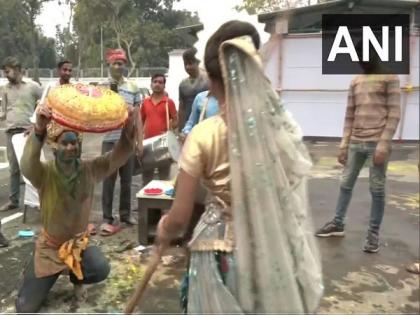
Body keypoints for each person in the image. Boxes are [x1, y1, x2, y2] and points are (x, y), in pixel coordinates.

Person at [156, 21, 322, 314]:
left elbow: (180, 218)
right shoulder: (280, 128)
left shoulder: (204, 135)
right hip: (273, 246)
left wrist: (164, 227)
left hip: (221, 251)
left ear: (213, 79)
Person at [15, 102, 137, 313]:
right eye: (66, 143)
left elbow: (118, 157)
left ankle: (76, 277)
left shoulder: (89, 169)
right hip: (50, 249)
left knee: (100, 269)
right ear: (55, 147)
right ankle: (34, 264)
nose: (72, 147)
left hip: (78, 245)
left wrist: (128, 127)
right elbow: (27, 165)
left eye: (75, 143)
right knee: (25, 308)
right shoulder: (44, 173)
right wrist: (39, 130)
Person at [315, 47, 401, 253]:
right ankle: (338, 223)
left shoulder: (390, 77)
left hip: (376, 143)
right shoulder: (355, 82)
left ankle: (373, 235)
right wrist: (344, 144)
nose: (361, 62)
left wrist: (383, 143)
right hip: (355, 142)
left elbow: (394, 114)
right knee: (345, 184)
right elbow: (349, 115)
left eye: (364, 57)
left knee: (377, 190)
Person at [100, 48, 142, 235]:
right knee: (108, 180)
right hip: (109, 139)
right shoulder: (101, 87)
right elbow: (97, 113)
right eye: (115, 63)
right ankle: (107, 216)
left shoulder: (133, 87)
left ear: (125, 65)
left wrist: (139, 141)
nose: (118, 66)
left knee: (126, 181)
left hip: (128, 140)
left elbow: (138, 116)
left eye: (121, 63)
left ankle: (125, 215)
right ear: (109, 64)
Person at [0, 57, 42, 212]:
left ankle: (40, 199)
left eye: (7, 71)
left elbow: (44, 103)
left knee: (33, 166)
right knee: (14, 169)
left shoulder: (32, 87)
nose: (6, 75)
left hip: (28, 132)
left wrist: (36, 123)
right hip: (11, 132)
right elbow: (4, 112)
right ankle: (13, 201)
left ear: (17, 70)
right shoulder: (5, 89)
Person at [140, 73, 177, 185]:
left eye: (160, 82)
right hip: (147, 145)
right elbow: (140, 122)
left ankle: (162, 202)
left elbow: (176, 120)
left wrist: (169, 131)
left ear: (164, 86)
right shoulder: (146, 102)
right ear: (151, 84)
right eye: (155, 82)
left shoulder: (168, 102)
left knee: (164, 179)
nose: (157, 84)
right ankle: (146, 201)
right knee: (146, 179)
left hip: (163, 145)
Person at [178, 48, 209, 132]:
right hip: (189, 128)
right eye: (185, 64)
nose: (187, 67)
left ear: (198, 62)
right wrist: (180, 129)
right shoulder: (183, 84)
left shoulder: (208, 80)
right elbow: (182, 108)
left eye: (190, 63)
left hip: (206, 126)